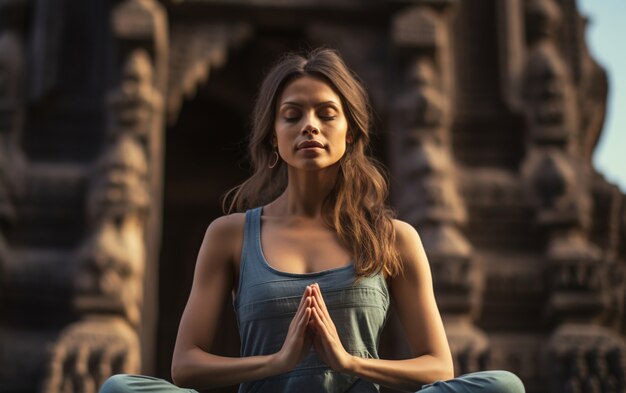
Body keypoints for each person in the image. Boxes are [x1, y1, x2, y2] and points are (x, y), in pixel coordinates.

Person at [100, 48, 524, 393]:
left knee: (502, 386)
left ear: (351, 132)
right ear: (273, 134)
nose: (310, 127)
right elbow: (186, 365)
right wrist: (276, 362)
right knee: (121, 389)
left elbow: (438, 365)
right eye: (293, 115)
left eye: (326, 114)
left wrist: (348, 362)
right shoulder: (229, 235)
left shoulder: (392, 238)